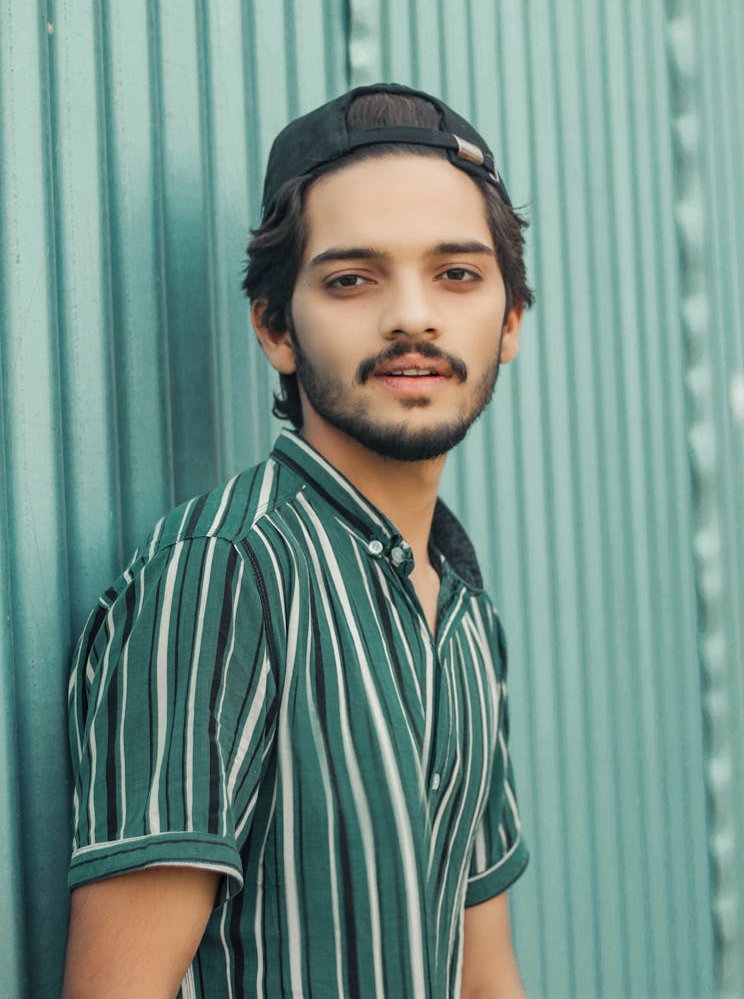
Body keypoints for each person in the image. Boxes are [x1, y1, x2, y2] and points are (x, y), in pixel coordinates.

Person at [62, 83, 535, 998]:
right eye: (352, 278)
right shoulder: (223, 576)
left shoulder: (465, 616)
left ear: (510, 320)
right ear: (275, 326)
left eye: (458, 275)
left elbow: (486, 976)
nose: (414, 316)